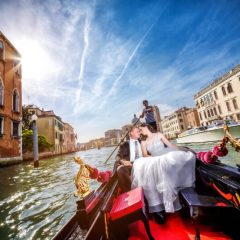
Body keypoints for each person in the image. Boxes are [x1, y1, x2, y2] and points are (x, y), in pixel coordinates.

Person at [131, 123, 196, 223]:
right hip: (154, 159)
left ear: (146, 127)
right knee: (153, 167)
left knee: (180, 158)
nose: (140, 131)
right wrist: (155, 158)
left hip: (165, 155)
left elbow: (170, 145)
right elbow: (145, 155)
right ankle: (158, 207)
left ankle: (177, 201)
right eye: (139, 130)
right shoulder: (143, 141)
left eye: (141, 129)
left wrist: (181, 150)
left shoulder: (159, 135)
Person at [115, 126, 142, 192]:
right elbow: (118, 156)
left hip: (143, 163)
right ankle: (131, 192)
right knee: (120, 169)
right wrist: (124, 162)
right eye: (137, 131)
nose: (139, 133)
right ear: (131, 133)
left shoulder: (143, 141)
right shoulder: (125, 144)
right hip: (131, 164)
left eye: (139, 131)